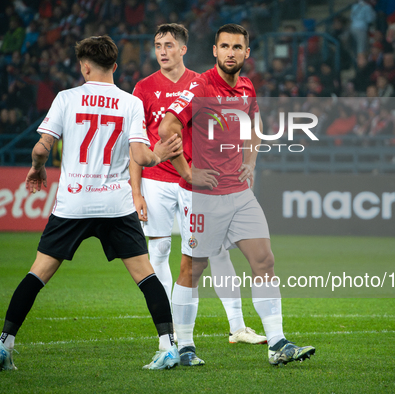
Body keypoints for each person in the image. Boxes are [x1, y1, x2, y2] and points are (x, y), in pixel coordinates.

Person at [0, 36, 184, 372]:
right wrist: (160, 154)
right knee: (146, 275)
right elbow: (141, 156)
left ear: (85, 66)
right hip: (115, 204)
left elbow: (39, 149)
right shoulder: (129, 102)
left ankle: (4, 344)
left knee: (37, 273)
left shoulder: (66, 99)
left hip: (73, 203)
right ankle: (168, 347)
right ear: (115, 66)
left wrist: (37, 170)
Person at [159, 24, 316, 366]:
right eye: (225, 46)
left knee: (264, 260)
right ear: (214, 51)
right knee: (192, 268)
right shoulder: (199, 86)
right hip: (203, 196)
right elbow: (167, 127)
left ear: (247, 54)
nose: (231, 52)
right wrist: (186, 172)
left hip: (239, 193)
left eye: (237, 47)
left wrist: (251, 162)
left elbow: (255, 127)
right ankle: (183, 346)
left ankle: (277, 343)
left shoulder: (247, 87)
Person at [129, 23, 267, 367]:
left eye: (169, 45)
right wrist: (136, 191)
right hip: (158, 180)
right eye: (158, 45)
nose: (163, 51)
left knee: (214, 251)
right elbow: (135, 144)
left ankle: (237, 325)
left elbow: (249, 128)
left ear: (183, 49)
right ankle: (169, 329)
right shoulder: (143, 88)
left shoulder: (197, 83)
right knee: (160, 250)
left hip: (196, 180)